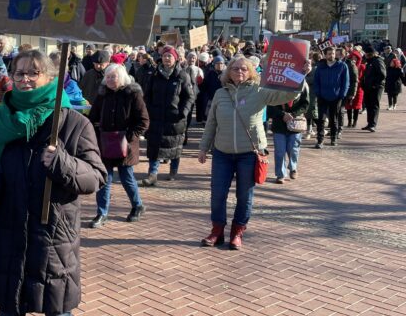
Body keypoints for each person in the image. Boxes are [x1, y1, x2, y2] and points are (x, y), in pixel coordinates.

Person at [0, 50, 106, 316]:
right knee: (10, 311)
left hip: (54, 233)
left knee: (58, 309)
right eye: (19, 73)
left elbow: (95, 177)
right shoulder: (1, 120)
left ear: (50, 78)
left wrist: (63, 163)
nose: (25, 79)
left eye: (33, 73)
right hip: (10, 228)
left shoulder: (74, 123)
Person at [198, 56, 305, 250]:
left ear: (251, 72)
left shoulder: (259, 92)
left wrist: (301, 75)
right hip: (222, 152)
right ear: (228, 72)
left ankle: (238, 232)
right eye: (235, 68)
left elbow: (288, 95)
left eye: (244, 69)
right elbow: (211, 123)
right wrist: (203, 147)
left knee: (244, 196)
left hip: (249, 154)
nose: (240, 72)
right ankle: (217, 231)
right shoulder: (220, 94)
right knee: (217, 195)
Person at [88, 64, 149, 228]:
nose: (108, 80)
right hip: (105, 144)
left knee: (127, 178)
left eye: (112, 77)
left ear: (121, 78)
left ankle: (137, 205)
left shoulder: (133, 94)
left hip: (125, 146)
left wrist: (128, 136)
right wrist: (95, 133)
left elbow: (143, 121)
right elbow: (92, 117)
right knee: (104, 179)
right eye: (107, 77)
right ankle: (102, 213)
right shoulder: (102, 94)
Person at [141, 45, 194, 186]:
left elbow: (189, 97)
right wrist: (149, 110)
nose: (166, 58)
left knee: (174, 145)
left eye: (169, 56)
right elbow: (147, 95)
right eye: (164, 56)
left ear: (175, 58)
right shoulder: (155, 75)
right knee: (154, 146)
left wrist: (183, 112)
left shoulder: (183, 76)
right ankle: (152, 174)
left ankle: (173, 170)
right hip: (156, 117)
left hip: (175, 118)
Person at [267, 65, 310, 183]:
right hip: (279, 124)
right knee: (280, 151)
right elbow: (270, 106)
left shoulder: (302, 84)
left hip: (295, 123)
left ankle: (293, 168)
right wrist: (282, 114)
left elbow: (305, 104)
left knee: (293, 149)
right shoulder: (275, 86)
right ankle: (280, 174)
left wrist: (293, 114)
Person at [313, 47, 349, 149]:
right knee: (321, 119)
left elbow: (345, 82)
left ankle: (334, 138)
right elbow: (316, 81)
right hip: (322, 96)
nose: (332, 55)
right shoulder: (320, 66)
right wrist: (318, 92)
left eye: (333, 53)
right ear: (325, 55)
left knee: (334, 119)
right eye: (329, 54)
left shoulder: (342, 66)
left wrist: (342, 95)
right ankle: (320, 140)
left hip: (336, 97)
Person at [361, 47, 386, 132]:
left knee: (374, 105)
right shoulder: (369, 62)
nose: (365, 55)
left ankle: (373, 125)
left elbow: (382, 74)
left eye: (366, 54)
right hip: (368, 87)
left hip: (376, 87)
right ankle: (369, 123)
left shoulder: (378, 61)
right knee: (368, 105)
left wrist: (375, 85)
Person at [345, 49, 365, 128]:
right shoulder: (347, 66)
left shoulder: (362, 66)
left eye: (355, 58)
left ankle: (355, 121)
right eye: (352, 58)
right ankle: (349, 121)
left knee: (356, 106)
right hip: (350, 88)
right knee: (349, 106)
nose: (353, 59)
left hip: (359, 89)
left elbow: (364, 77)